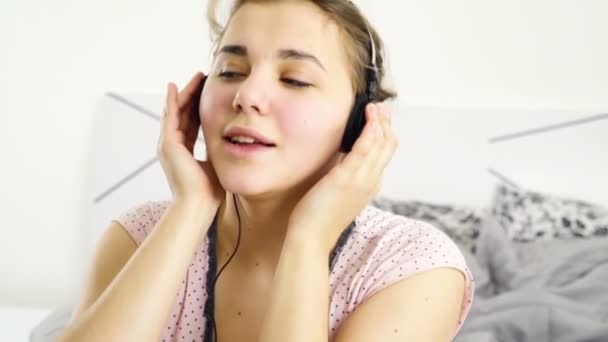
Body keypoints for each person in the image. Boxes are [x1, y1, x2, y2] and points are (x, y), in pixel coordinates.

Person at [58, 1, 474, 341]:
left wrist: (308, 240)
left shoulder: (413, 267)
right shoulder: (137, 236)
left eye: (294, 79)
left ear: (359, 123)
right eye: (231, 72)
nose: (247, 95)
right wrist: (190, 207)